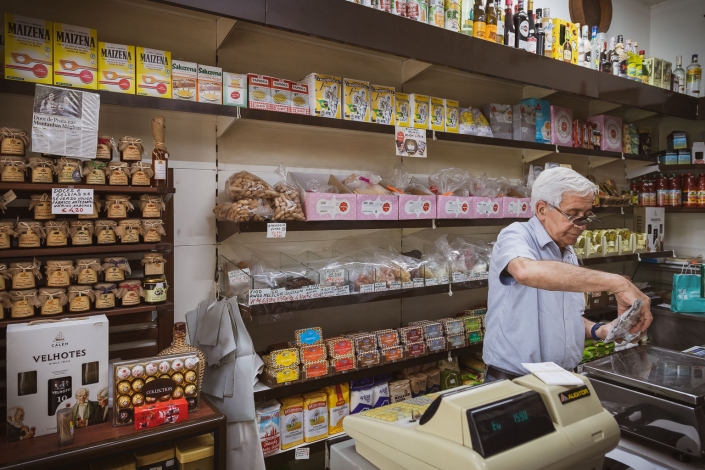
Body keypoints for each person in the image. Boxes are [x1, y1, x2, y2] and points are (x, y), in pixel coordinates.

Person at [483, 167, 652, 382]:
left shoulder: (566, 249)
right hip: (514, 380)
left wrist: (600, 330)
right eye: (572, 215)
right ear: (542, 209)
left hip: (562, 378)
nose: (581, 226)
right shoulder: (516, 235)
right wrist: (617, 283)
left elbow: (561, 316)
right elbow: (525, 271)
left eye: (586, 216)